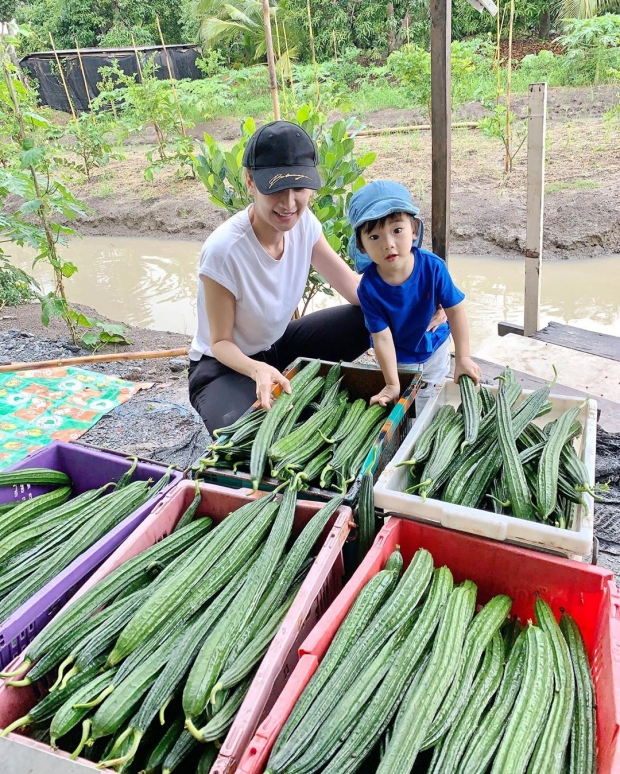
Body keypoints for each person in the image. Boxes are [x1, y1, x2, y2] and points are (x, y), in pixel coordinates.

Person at [188, 122, 446, 434]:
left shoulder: (304, 223)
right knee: (250, 436)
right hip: (225, 366)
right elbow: (220, 343)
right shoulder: (224, 251)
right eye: (276, 190)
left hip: (279, 346)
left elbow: (355, 289)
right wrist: (258, 369)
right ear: (250, 182)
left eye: (298, 189)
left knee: (367, 312)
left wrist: (423, 299)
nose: (288, 204)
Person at [348, 179, 481, 412]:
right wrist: (391, 383)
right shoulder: (368, 288)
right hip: (396, 358)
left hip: (434, 348)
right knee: (401, 404)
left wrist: (463, 358)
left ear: (414, 229)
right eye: (374, 237)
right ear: (361, 246)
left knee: (429, 400)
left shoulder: (433, 267)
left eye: (397, 230)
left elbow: (455, 311)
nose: (388, 244)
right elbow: (382, 337)